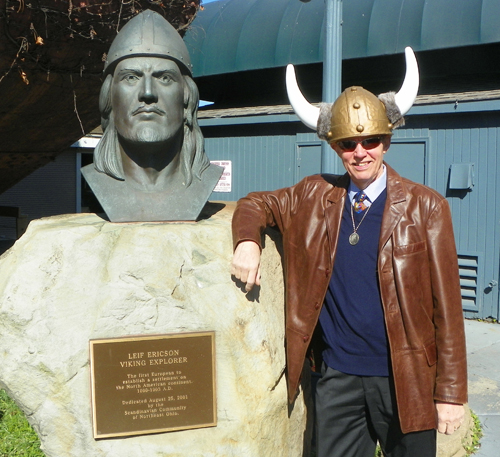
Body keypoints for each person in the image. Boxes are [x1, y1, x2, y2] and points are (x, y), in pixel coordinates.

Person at [231, 48, 467, 457]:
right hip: (337, 377)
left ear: (387, 142)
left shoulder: (426, 206)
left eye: (370, 140)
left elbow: (447, 307)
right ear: (335, 146)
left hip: (405, 379)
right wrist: (248, 240)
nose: (360, 152)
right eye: (347, 143)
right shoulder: (314, 195)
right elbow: (255, 203)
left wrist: (449, 393)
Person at [82, 10, 223, 222]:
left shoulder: (207, 179)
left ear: (187, 100)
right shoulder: (94, 178)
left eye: (165, 78)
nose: (147, 93)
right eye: (131, 77)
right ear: (109, 100)